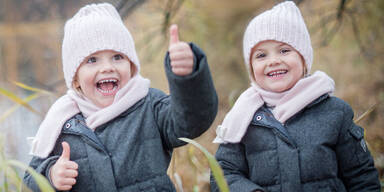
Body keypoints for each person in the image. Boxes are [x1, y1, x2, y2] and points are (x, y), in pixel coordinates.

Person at [23, 3, 218, 191]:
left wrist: (187, 78)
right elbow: (31, 176)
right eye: (92, 60)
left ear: (132, 66)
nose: (107, 67)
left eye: (117, 57)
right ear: (75, 79)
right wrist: (52, 174)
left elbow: (191, 121)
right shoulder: (62, 122)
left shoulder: (149, 105)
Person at [210, 1, 380, 192]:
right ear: (251, 68)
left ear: (303, 57)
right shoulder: (242, 118)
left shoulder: (335, 113)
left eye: (284, 50)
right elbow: (223, 174)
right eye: (261, 55)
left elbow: (362, 176)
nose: (273, 61)